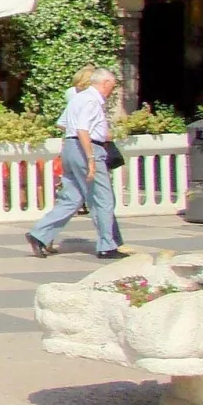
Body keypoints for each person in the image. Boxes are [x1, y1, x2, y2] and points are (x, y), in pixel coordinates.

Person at [28, 67, 125, 260]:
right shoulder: (91, 101)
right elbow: (82, 130)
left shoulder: (77, 98)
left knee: (72, 198)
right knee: (103, 198)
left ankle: (39, 234)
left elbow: (63, 123)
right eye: (111, 87)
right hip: (86, 149)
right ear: (104, 83)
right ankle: (107, 246)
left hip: (70, 148)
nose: (111, 91)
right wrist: (91, 157)